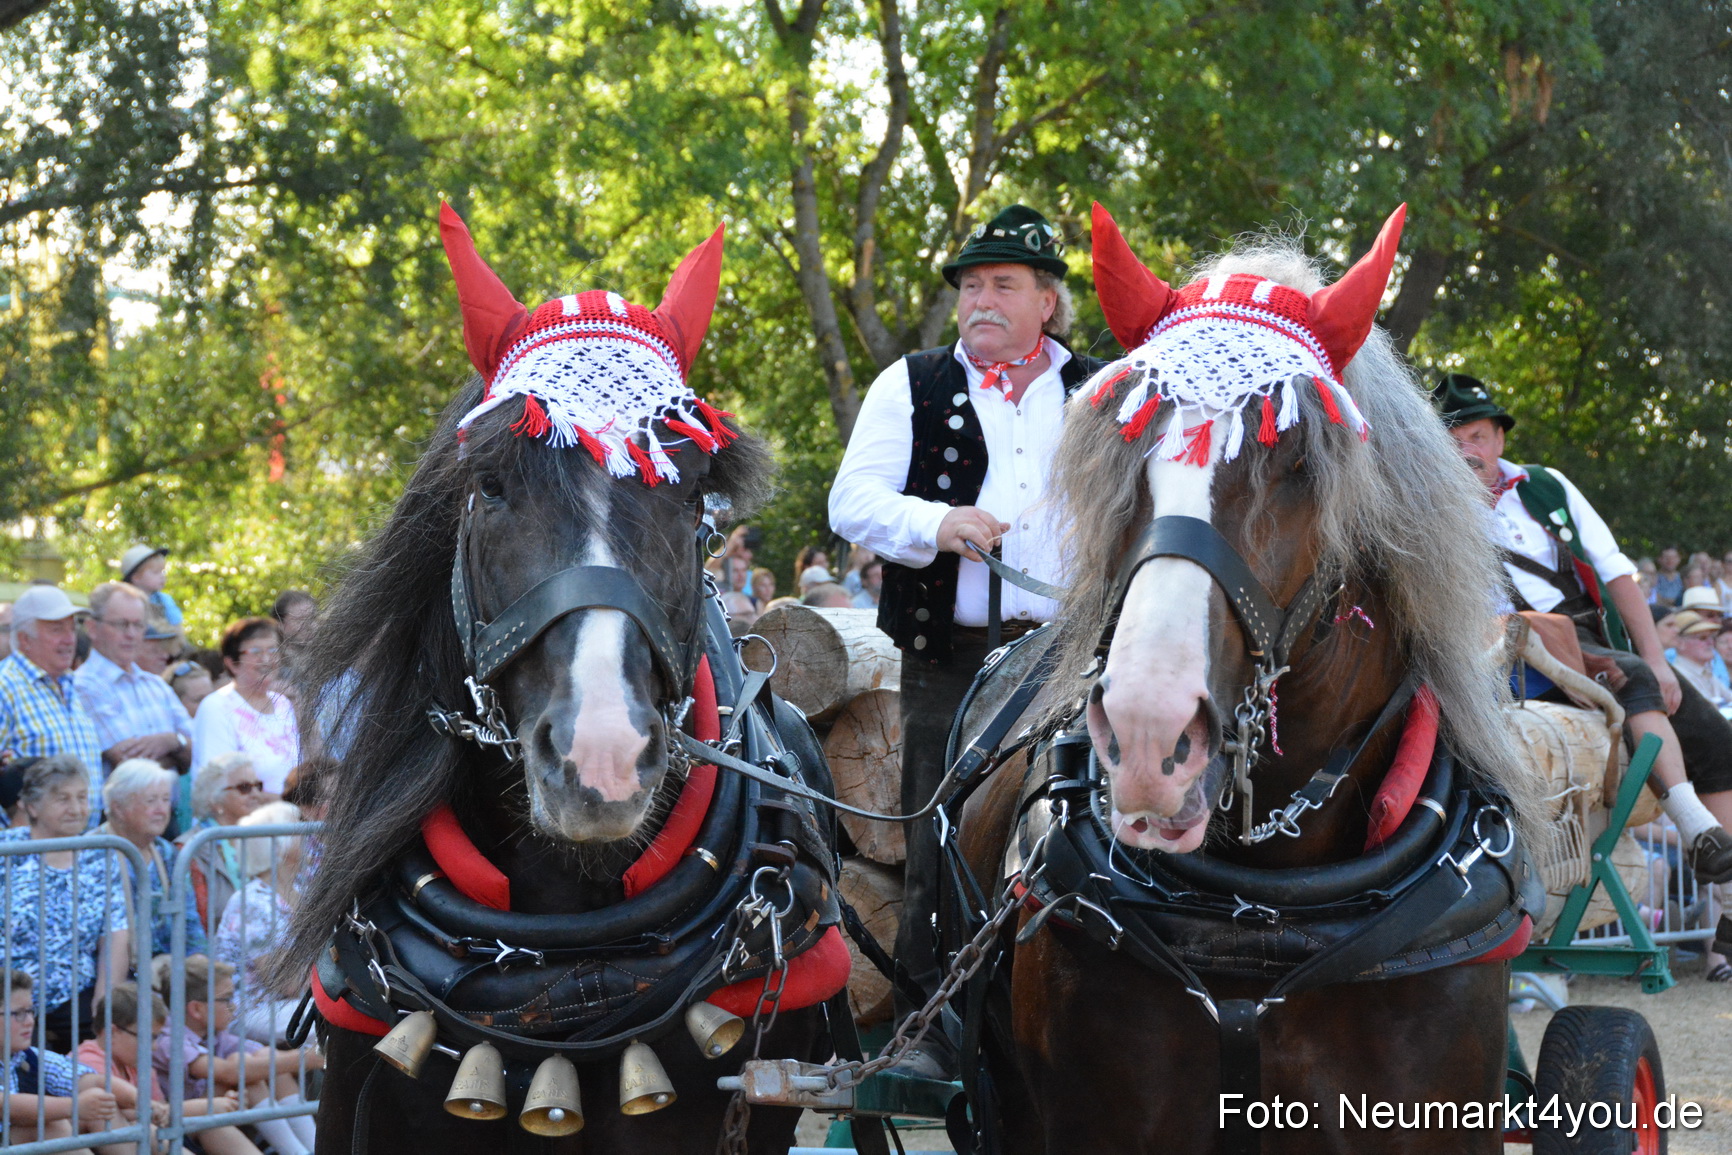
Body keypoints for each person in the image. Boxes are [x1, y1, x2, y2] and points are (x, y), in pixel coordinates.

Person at [829, 203, 1106, 1077]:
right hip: (950, 652)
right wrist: (936, 521)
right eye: (972, 285)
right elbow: (851, 500)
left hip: (1081, 650)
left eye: (1003, 285)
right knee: (941, 831)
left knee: (1092, 820)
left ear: (1048, 302)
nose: (981, 300)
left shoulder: (1102, 389)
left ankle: (1090, 1016)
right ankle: (932, 1031)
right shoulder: (912, 383)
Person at [1434, 373, 1732, 893]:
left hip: (1592, 639)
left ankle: (1728, 900)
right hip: (1514, 655)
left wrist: (1659, 659)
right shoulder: (1429, 509)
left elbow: (1615, 571)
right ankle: (1697, 830)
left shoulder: (1546, 485)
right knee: (1630, 674)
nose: (1467, 451)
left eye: (1477, 436)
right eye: (1453, 440)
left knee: (1716, 741)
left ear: (1500, 438)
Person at [0, 757, 129, 1051]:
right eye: (63, 799)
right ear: (32, 807)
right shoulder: (6, 851)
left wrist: (104, 1004)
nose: (76, 808)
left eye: (82, 798)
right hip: (8, 994)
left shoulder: (100, 855)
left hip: (77, 994)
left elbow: (115, 933)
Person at [154, 955, 318, 1155]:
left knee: (267, 1060)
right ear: (196, 1009)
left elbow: (266, 1056)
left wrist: (303, 1057)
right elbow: (228, 1072)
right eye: (226, 999)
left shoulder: (214, 1033)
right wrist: (310, 1057)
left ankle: (314, 1148)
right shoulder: (169, 1040)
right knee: (244, 1070)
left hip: (215, 1112)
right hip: (182, 1124)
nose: (234, 1006)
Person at [75, 982, 260, 1155]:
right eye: (148, 1037)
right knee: (147, 1129)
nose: (154, 1046)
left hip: (150, 1138)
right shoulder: (88, 1060)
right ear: (112, 1032)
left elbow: (161, 1113)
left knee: (210, 1124)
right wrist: (205, 1106)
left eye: (156, 1037)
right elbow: (120, 1116)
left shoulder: (138, 1063)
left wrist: (216, 1105)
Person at [74, 584, 194, 832]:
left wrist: (171, 741)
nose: (131, 634)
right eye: (121, 624)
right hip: (121, 828)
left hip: (168, 822)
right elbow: (130, 765)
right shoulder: (84, 685)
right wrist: (179, 752)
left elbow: (199, 753)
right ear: (92, 628)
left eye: (138, 625)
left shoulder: (156, 685)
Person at [0, 586, 104, 813]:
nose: (69, 640)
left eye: (72, 629)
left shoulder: (73, 685)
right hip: (23, 835)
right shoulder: (4, 687)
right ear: (24, 639)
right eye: (57, 630)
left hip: (84, 834)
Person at [213, 802, 307, 1045]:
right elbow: (286, 982)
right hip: (253, 1009)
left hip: (292, 1002)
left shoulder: (300, 889)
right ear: (278, 846)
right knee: (335, 1018)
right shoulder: (253, 902)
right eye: (298, 830)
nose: (309, 834)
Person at [1, 967, 119, 1152]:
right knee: (49, 1127)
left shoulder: (26, 1055)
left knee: (101, 1111)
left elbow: (86, 1081)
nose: (30, 1021)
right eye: (19, 1014)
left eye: (31, 1011)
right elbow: (7, 1106)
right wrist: (75, 1106)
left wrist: (143, 1103)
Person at [100, 759, 207, 960]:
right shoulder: (93, 852)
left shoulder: (168, 853)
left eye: (165, 800)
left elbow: (189, 921)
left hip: (169, 968)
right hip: (115, 968)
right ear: (118, 807)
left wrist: (198, 961)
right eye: (151, 801)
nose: (161, 810)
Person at [191, 620, 298, 797]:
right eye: (256, 652)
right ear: (232, 663)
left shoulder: (283, 703)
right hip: (244, 813)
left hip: (290, 812)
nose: (266, 659)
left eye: (273, 650)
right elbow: (217, 783)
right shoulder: (217, 707)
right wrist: (278, 804)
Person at [178, 753, 268, 929]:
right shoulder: (192, 847)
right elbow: (196, 921)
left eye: (258, 786)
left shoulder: (265, 837)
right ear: (215, 799)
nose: (256, 794)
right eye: (244, 788)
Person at [1671, 612, 1732, 711]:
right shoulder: (1681, 675)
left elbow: (1729, 697)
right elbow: (1709, 712)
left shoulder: (1705, 671)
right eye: (1702, 638)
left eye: (1711, 637)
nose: (1710, 642)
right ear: (1680, 643)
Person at [119, 545, 182, 629]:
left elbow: (177, 628)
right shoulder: (122, 601)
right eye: (156, 572)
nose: (162, 576)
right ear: (136, 577)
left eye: (163, 572)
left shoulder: (164, 600)